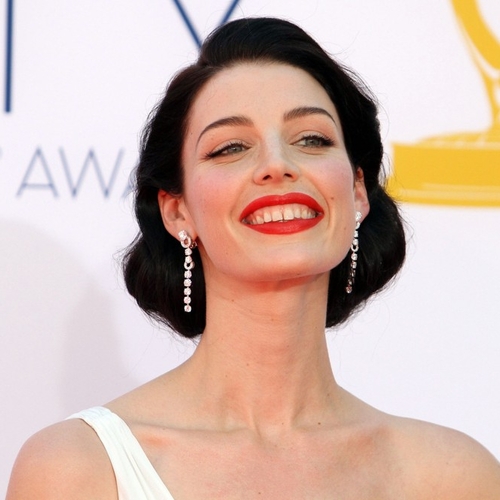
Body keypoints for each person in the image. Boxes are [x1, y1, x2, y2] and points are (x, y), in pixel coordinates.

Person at [7, 17, 500, 499]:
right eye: (230, 148)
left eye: (312, 139)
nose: (277, 165)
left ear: (356, 190)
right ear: (177, 211)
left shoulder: (452, 478)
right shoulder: (80, 468)